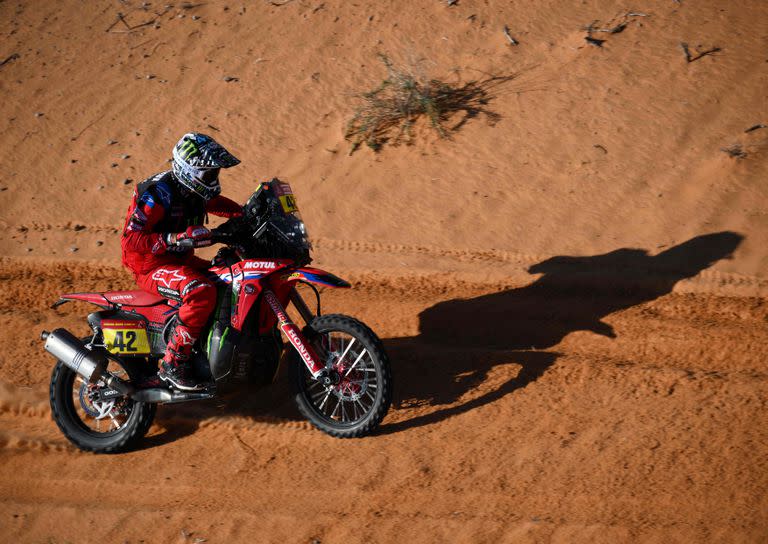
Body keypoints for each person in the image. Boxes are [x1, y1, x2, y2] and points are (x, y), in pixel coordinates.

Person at [121, 132, 243, 390]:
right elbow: (131, 240)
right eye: (209, 174)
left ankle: (206, 353)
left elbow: (215, 203)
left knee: (230, 276)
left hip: (179, 262)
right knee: (200, 290)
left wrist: (246, 215)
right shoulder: (158, 194)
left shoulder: (191, 190)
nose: (214, 179)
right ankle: (172, 363)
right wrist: (173, 238)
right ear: (190, 170)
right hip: (150, 266)